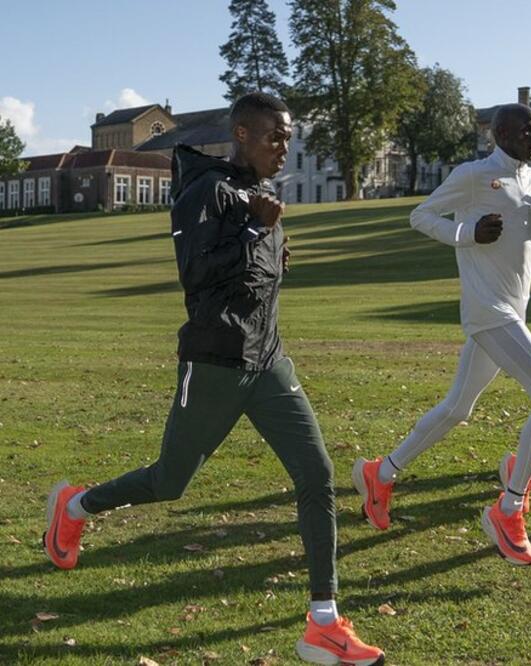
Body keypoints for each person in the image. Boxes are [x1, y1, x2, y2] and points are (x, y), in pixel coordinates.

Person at [42, 92, 383, 666]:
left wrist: (274, 250)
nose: (285, 145)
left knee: (316, 474)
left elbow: (250, 274)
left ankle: (323, 622)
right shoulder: (206, 190)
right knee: (171, 482)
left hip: (269, 362)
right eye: (276, 135)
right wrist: (256, 233)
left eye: (289, 136)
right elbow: (196, 273)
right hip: (215, 362)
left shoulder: (260, 195)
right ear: (243, 134)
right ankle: (76, 507)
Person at [352, 104, 531, 567]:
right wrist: (467, 232)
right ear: (501, 133)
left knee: (457, 408)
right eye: (528, 130)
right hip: (486, 310)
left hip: (514, 311)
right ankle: (508, 509)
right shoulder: (473, 175)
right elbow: (421, 215)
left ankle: (381, 473)